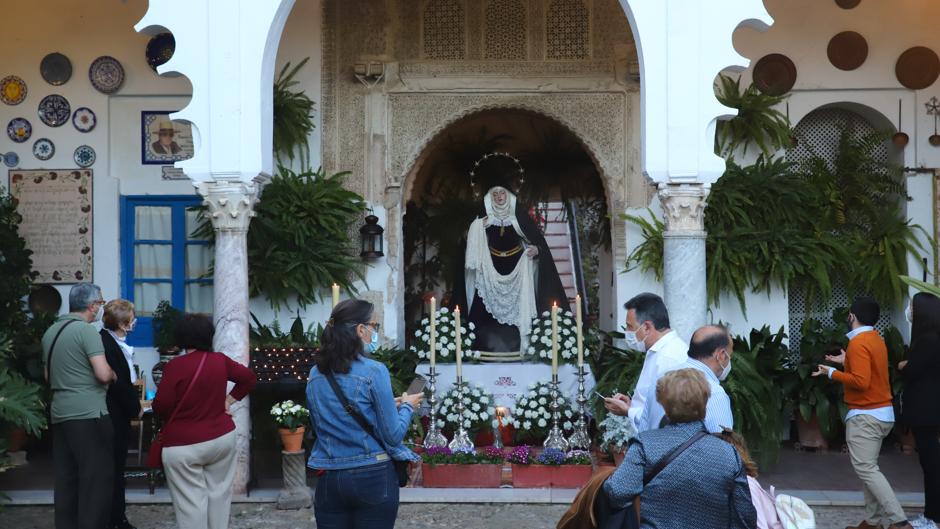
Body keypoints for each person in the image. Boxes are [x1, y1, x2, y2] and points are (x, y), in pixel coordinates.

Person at [306, 299, 424, 529]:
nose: (374, 332)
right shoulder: (374, 371)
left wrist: (393, 402)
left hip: (330, 476)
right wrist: (408, 406)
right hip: (373, 475)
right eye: (374, 326)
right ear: (361, 329)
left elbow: (324, 420)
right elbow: (393, 436)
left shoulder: (315, 373)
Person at [603, 368, 757, 529]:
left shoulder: (646, 444)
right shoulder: (728, 453)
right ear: (705, 402)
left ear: (664, 405)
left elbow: (617, 492)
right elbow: (745, 518)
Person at [814, 297, 913, 529]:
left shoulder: (858, 343)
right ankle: (873, 521)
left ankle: (899, 522)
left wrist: (831, 373)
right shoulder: (875, 339)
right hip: (882, 413)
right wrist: (846, 361)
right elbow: (871, 368)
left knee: (867, 470)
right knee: (870, 469)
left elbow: (860, 381)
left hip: (865, 415)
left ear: (852, 316)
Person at [454, 154, 569, 352]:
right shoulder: (481, 221)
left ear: (509, 196)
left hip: (517, 270)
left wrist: (536, 250)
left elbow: (537, 242)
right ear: (489, 197)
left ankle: (519, 347)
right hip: (489, 272)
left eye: (502, 194)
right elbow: (467, 247)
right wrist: (477, 227)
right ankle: (476, 348)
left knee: (519, 310)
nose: (499, 198)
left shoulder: (519, 219)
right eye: (495, 194)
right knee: (480, 312)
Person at [152, 314, 256, 529]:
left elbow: (161, 406)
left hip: (183, 444)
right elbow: (248, 378)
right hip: (221, 438)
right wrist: (228, 401)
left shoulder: (174, 367)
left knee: (191, 503)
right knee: (219, 497)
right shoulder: (220, 360)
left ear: (181, 337)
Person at [41, 282, 116, 529]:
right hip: (89, 413)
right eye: (101, 303)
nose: (100, 308)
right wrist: (114, 374)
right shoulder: (86, 332)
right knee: (96, 479)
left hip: (60, 412)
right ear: (92, 306)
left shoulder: (51, 332)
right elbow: (103, 374)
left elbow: (47, 376)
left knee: (66, 478)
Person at [603, 293, 688, 430]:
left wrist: (628, 411)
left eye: (630, 326)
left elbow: (664, 417)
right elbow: (652, 403)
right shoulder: (657, 351)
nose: (627, 332)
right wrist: (632, 405)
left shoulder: (669, 358)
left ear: (647, 327)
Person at [634, 325, 735, 433]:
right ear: (721, 355)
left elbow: (642, 434)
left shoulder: (661, 379)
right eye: (730, 355)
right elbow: (721, 446)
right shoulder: (714, 393)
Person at [100, 299, 143, 529]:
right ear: (123, 322)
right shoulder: (107, 343)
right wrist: (135, 407)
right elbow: (118, 384)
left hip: (118, 412)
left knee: (116, 468)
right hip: (114, 414)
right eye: (132, 317)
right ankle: (115, 518)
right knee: (114, 469)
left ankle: (116, 516)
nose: (134, 320)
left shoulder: (113, 341)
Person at [899, 293, 940, 528]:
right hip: (929, 411)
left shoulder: (928, 340)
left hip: (927, 411)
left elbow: (913, 370)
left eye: (913, 308)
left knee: (931, 466)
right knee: (930, 464)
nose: (910, 311)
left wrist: (905, 365)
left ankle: (933, 517)